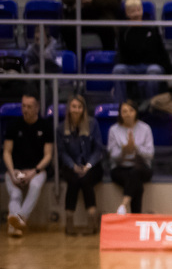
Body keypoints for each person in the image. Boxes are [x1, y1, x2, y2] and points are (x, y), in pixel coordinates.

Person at [4, 93, 53, 238]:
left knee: (35, 186)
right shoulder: (13, 125)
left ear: (37, 108)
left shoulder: (45, 126)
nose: (25, 110)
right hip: (16, 169)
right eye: (23, 106)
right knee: (15, 194)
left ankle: (18, 220)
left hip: (37, 170)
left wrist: (34, 171)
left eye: (29, 107)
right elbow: (7, 152)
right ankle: (18, 224)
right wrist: (12, 172)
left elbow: (48, 155)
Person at [57, 95, 105, 235]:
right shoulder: (61, 128)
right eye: (74, 107)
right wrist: (73, 166)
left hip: (92, 166)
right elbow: (62, 153)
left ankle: (92, 220)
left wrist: (88, 165)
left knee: (85, 179)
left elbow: (98, 149)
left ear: (83, 109)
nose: (76, 110)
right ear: (69, 108)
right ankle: (69, 221)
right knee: (73, 180)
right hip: (71, 166)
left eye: (79, 107)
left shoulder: (92, 124)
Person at [111, 0, 170, 104]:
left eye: (138, 10)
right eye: (133, 11)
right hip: (131, 67)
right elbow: (122, 55)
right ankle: (121, 106)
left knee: (154, 70)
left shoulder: (151, 28)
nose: (137, 13)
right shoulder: (123, 31)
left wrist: (170, 71)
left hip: (150, 66)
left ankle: (151, 106)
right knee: (118, 70)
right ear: (127, 13)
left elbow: (161, 51)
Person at [107, 99, 153, 214]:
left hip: (141, 167)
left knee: (135, 173)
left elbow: (150, 154)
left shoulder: (145, 128)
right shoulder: (113, 130)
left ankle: (124, 205)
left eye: (131, 110)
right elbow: (112, 156)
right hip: (120, 168)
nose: (128, 114)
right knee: (136, 183)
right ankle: (135, 217)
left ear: (136, 112)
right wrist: (124, 151)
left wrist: (136, 148)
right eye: (124, 111)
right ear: (120, 114)